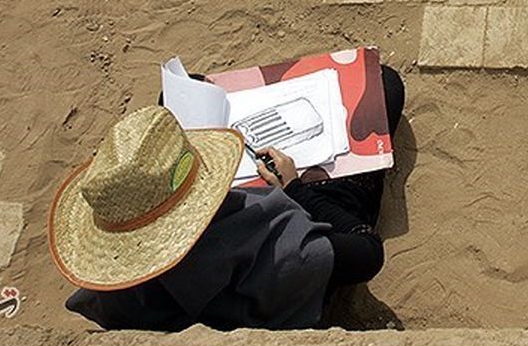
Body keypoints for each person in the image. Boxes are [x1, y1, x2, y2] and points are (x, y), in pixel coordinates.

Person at [48, 66, 406, 331]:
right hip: (283, 278)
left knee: (189, 88)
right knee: (384, 84)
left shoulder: (113, 288)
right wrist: (295, 190)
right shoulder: (282, 248)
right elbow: (367, 252)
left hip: (197, 297)